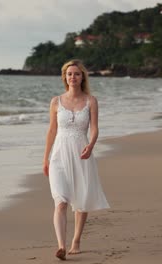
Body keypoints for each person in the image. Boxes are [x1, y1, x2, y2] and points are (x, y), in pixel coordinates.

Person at [42, 59, 109, 260]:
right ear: (65, 77)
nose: (73, 77)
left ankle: (76, 240)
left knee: (81, 199)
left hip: (82, 152)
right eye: (69, 74)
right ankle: (61, 246)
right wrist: (45, 158)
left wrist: (91, 145)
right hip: (59, 155)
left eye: (77, 74)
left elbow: (95, 128)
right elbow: (52, 130)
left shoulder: (91, 101)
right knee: (60, 201)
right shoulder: (55, 101)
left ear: (82, 77)